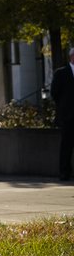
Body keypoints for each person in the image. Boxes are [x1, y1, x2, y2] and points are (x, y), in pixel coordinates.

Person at [52, 46, 74, 181]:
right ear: (71, 57)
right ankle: (64, 171)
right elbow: (54, 92)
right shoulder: (61, 73)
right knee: (66, 145)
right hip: (68, 116)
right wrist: (64, 107)